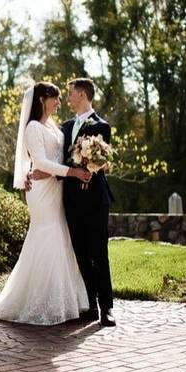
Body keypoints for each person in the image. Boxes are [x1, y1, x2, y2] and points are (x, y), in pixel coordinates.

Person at [0, 82, 93, 325]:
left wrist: (64, 169)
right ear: (42, 99)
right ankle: (37, 301)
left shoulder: (52, 126)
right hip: (41, 191)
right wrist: (68, 173)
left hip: (55, 187)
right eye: (56, 98)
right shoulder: (32, 127)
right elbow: (40, 161)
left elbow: (56, 158)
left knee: (60, 235)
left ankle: (64, 299)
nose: (59, 103)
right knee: (47, 234)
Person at [34, 78, 116, 326]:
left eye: (70, 94)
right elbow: (57, 160)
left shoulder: (102, 127)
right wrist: (36, 173)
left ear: (82, 94)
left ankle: (107, 307)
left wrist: (92, 163)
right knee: (80, 253)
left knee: (99, 253)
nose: (67, 98)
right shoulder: (65, 128)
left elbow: (102, 162)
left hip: (95, 199)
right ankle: (90, 304)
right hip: (70, 200)